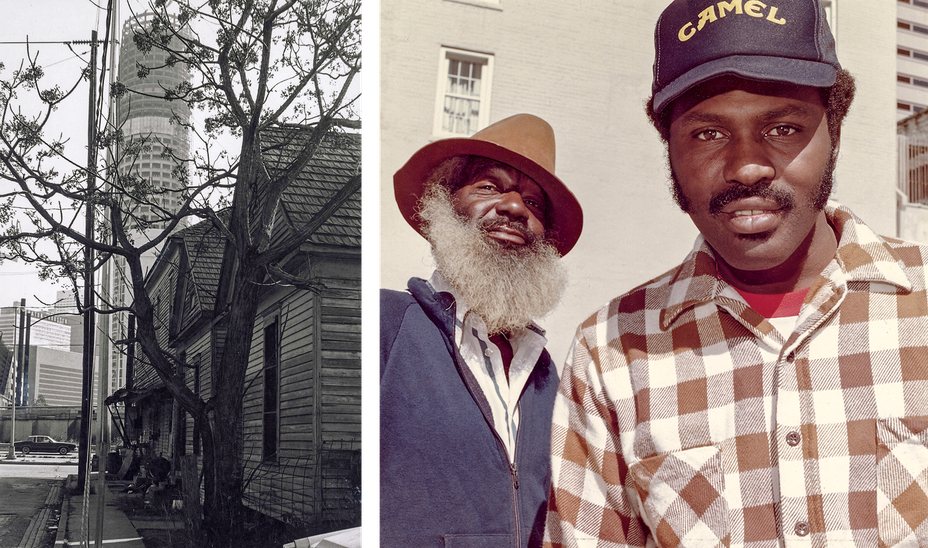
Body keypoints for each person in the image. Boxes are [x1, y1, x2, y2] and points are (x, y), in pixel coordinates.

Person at [546, 1, 928, 546]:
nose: (747, 166)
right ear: (668, 150)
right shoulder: (612, 352)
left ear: (834, 133)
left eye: (784, 127)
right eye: (708, 134)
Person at [379, 113, 584, 548]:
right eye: (489, 187)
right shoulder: (384, 323)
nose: (514, 208)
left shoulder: (546, 373)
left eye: (534, 203)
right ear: (443, 203)